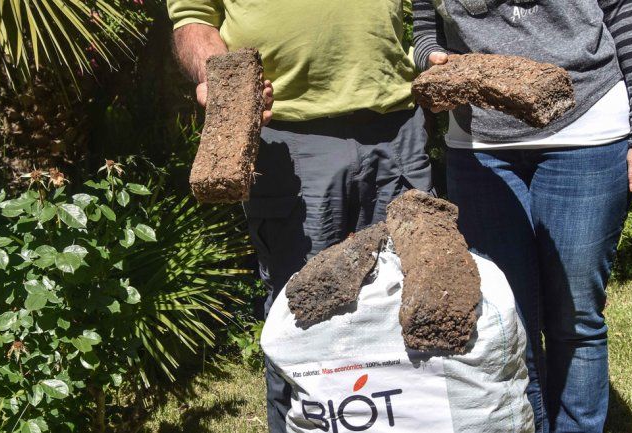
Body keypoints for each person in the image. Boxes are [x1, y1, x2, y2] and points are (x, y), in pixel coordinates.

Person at [167, 1, 433, 432]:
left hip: (396, 126)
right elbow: (193, 17)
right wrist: (223, 81)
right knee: (303, 318)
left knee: (406, 307)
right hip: (290, 137)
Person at [413, 0, 632, 432]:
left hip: (587, 129)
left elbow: (625, 13)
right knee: (506, 317)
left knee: (575, 316)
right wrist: (432, 59)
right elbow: (426, 30)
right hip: (479, 147)